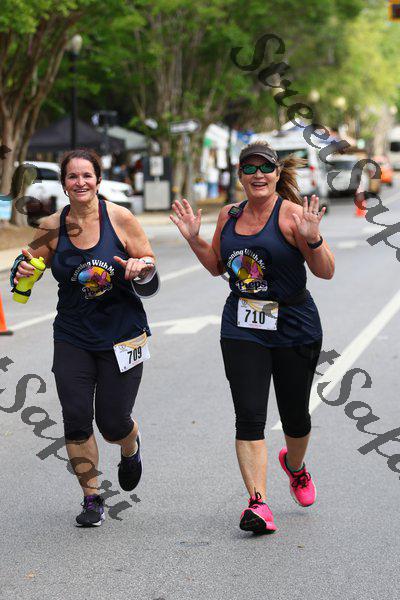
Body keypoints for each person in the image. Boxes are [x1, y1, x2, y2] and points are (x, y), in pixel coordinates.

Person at [170, 140, 334, 534]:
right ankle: (258, 503)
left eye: (265, 168)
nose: (257, 175)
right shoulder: (229, 215)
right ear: (240, 175)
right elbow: (216, 266)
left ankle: (294, 466)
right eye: (249, 168)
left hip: (294, 324)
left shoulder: (293, 215)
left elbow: (326, 271)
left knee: (295, 416)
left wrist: (312, 238)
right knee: (248, 416)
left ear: (277, 173)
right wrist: (194, 239)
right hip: (243, 324)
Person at [11, 148, 158, 527]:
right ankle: (92, 497)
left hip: (123, 335)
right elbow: (26, 269)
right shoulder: (51, 227)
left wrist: (140, 267)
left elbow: (149, 267)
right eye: (73, 176)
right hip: (73, 334)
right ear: (64, 183)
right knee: (76, 419)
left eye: (87, 175)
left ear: (98, 180)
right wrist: (22, 270)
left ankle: (130, 445)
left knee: (113, 423)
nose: (80, 182)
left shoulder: (120, 218)